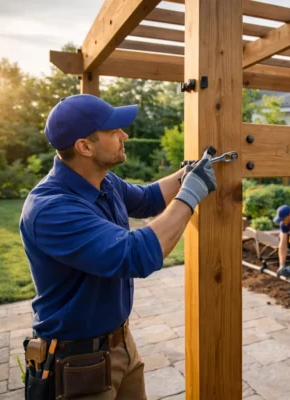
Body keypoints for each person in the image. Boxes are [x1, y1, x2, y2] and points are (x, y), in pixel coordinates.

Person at [19, 94, 217, 399]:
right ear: (85, 147)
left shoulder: (104, 181)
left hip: (121, 345)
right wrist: (191, 195)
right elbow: (134, 255)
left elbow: (148, 198)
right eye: (114, 131)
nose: (124, 135)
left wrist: (188, 173)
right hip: (78, 363)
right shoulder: (50, 209)